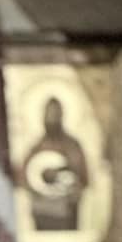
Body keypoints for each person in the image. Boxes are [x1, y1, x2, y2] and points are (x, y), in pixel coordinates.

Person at [21, 96, 91, 233]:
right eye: (49, 114)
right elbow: (23, 177)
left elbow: (83, 178)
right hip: (42, 212)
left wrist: (70, 187)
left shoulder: (72, 146)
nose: (52, 118)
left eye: (55, 113)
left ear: (61, 115)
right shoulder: (36, 147)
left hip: (66, 212)